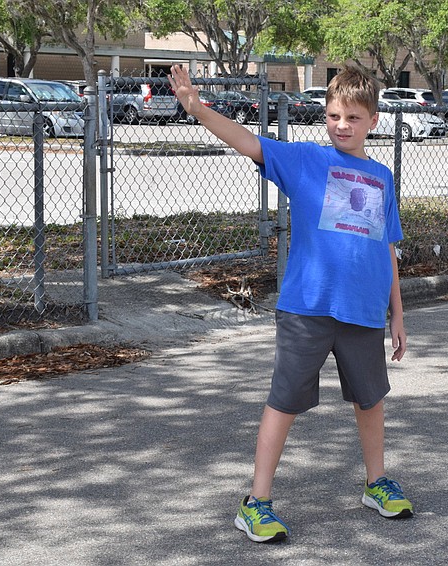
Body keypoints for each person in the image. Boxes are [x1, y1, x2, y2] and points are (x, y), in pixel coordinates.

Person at [169, 64, 412, 543]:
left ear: (374, 121)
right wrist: (197, 109)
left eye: (354, 117)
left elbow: (388, 247)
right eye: (335, 115)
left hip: (362, 312)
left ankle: (375, 483)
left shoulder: (382, 177)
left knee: (371, 400)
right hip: (307, 308)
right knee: (284, 402)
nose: (342, 124)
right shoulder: (305, 162)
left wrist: (398, 313)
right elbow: (248, 141)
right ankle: (256, 503)